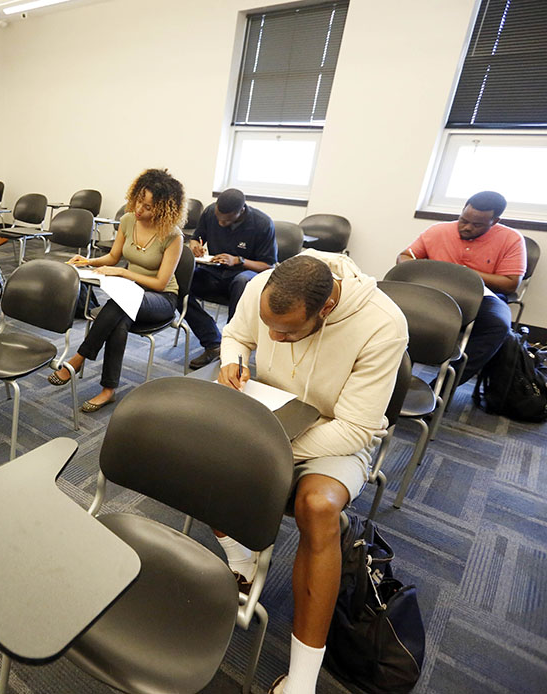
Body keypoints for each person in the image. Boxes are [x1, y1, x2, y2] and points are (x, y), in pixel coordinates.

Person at [216, 252, 408, 694]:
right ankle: (242, 562)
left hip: (334, 435)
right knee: (201, 450)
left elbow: (356, 430)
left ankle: (301, 681)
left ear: (325, 309)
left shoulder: (383, 323)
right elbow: (236, 334)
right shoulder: (266, 286)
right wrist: (232, 359)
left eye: (287, 332)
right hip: (273, 413)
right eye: (270, 327)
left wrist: (270, 446)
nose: (274, 338)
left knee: (318, 507)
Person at [47, 168, 185, 411]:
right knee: (119, 319)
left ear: (164, 209)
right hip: (130, 296)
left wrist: (124, 272)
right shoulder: (128, 220)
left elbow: (160, 283)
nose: (139, 210)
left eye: (149, 207)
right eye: (139, 202)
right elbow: (113, 257)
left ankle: (78, 358)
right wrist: (88, 262)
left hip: (161, 300)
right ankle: (108, 390)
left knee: (120, 303)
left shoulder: (173, 236)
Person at [396, 190, 525, 385]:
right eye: (463, 220)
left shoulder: (511, 239)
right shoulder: (438, 231)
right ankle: (394, 378)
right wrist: (423, 269)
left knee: (499, 325)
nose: (466, 227)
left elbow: (510, 283)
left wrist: (464, 274)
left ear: (495, 221)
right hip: (434, 291)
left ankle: (441, 387)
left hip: (482, 296)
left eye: (477, 224)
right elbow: (404, 257)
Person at [185, 188, 276, 369]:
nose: (220, 222)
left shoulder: (262, 224)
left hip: (243, 276)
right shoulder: (211, 212)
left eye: (226, 220)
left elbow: (268, 265)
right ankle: (213, 342)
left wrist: (238, 260)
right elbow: (196, 238)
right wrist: (195, 247)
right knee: (181, 282)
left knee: (242, 281)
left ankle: (231, 346)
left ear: (241, 211)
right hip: (214, 272)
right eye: (218, 217)